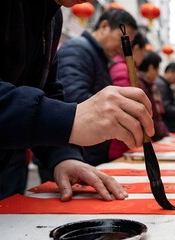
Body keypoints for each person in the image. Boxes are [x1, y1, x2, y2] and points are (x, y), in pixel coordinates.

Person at [0, 0, 154, 203]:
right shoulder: (79, 50)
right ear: (103, 26)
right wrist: (70, 119)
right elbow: (70, 107)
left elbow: (47, 91)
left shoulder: (53, 16)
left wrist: (64, 156)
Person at [57, 8, 138, 166]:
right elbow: (72, 101)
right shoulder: (78, 49)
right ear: (104, 26)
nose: (123, 48)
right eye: (122, 40)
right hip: (71, 154)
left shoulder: (98, 56)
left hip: (85, 151)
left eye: (128, 44)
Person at [109, 51, 169, 159]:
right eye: (157, 69)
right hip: (127, 142)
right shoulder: (128, 73)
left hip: (134, 139)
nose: (158, 73)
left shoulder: (148, 84)